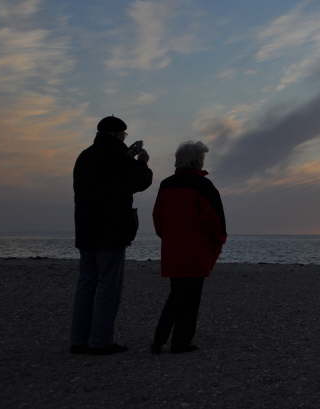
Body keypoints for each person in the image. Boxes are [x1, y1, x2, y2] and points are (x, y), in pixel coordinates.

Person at [71, 115, 152, 355]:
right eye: (123, 135)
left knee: (86, 283)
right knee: (108, 286)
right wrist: (142, 162)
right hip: (112, 229)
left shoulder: (84, 156)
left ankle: (78, 339)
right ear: (119, 135)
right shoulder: (119, 157)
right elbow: (139, 182)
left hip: (86, 228)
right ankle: (100, 341)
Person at [151, 140, 226, 354]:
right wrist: (218, 242)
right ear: (197, 161)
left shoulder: (166, 185)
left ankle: (161, 339)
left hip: (173, 249)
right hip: (196, 250)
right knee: (190, 297)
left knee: (177, 294)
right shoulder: (203, 186)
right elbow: (215, 221)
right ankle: (180, 341)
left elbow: (158, 218)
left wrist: (168, 237)